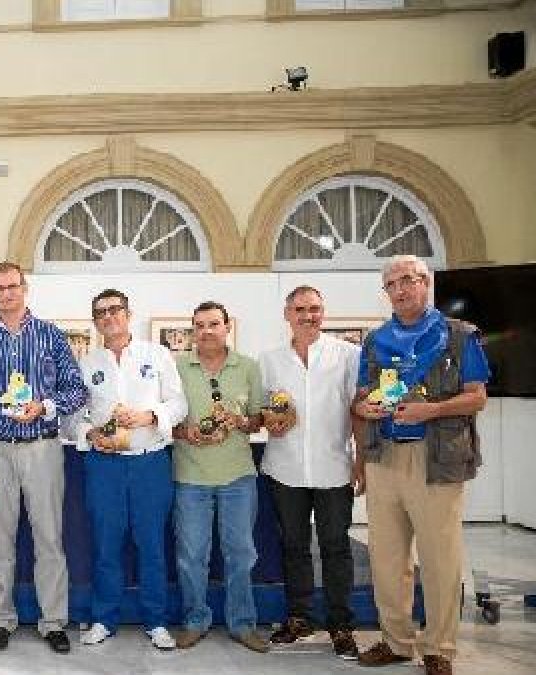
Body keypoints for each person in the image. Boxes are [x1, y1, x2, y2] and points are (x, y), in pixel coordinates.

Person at [353, 255, 490, 675]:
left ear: (425, 283)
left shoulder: (457, 336)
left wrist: (428, 411)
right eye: (392, 283)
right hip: (384, 459)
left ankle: (438, 649)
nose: (400, 289)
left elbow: (476, 397)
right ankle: (396, 642)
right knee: (387, 558)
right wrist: (368, 408)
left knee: (439, 557)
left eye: (408, 280)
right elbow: (360, 400)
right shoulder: (375, 341)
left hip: (436, 458)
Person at [0, 261, 87, 655]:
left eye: (12, 286)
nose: (6, 293)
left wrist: (45, 406)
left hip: (42, 447)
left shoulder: (51, 336)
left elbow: (77, 390)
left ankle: (53, 622)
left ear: (25, 287)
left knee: (49, 538)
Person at [76, 289, 186, 650]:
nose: (109, 317)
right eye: (101, 313)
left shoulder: (157, 355)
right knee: (106, 545)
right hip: (104, 466)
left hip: (149, 462)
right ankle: (103, 618)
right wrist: (90, 432)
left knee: (151, 544)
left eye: (115, 310)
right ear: (95, 322)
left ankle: (156, 621)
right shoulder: (87, 364)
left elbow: (179, 403)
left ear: (128, 314)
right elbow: (73, 415)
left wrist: (149, 416)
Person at [259, 286, 361, 659]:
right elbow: (265, 410)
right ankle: (299, 617)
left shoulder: (348, 354)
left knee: (336, 547)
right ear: (287, 314)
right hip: (285, 468)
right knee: (294, 546)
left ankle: (341, 624)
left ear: (324, 312)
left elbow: (358, 409)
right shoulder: (269, 360)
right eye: (300, 309)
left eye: (315, 309)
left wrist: (361, 460)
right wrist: (270, 421)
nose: (308, 316)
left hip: (334, 466)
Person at [171, 300, 268, 653]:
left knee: (241, 553)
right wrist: (187, 432)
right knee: (191, 554)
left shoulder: (249, 368)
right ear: (192, 331)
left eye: (214, 324)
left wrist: (240, 422)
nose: (207, 331)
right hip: (190, 476)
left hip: (238, 477)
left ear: (228, 327)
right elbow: (168, 420)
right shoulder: (177, 367)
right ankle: (196, 620)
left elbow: (260, 420)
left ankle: (243, 624)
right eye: (199, 325)